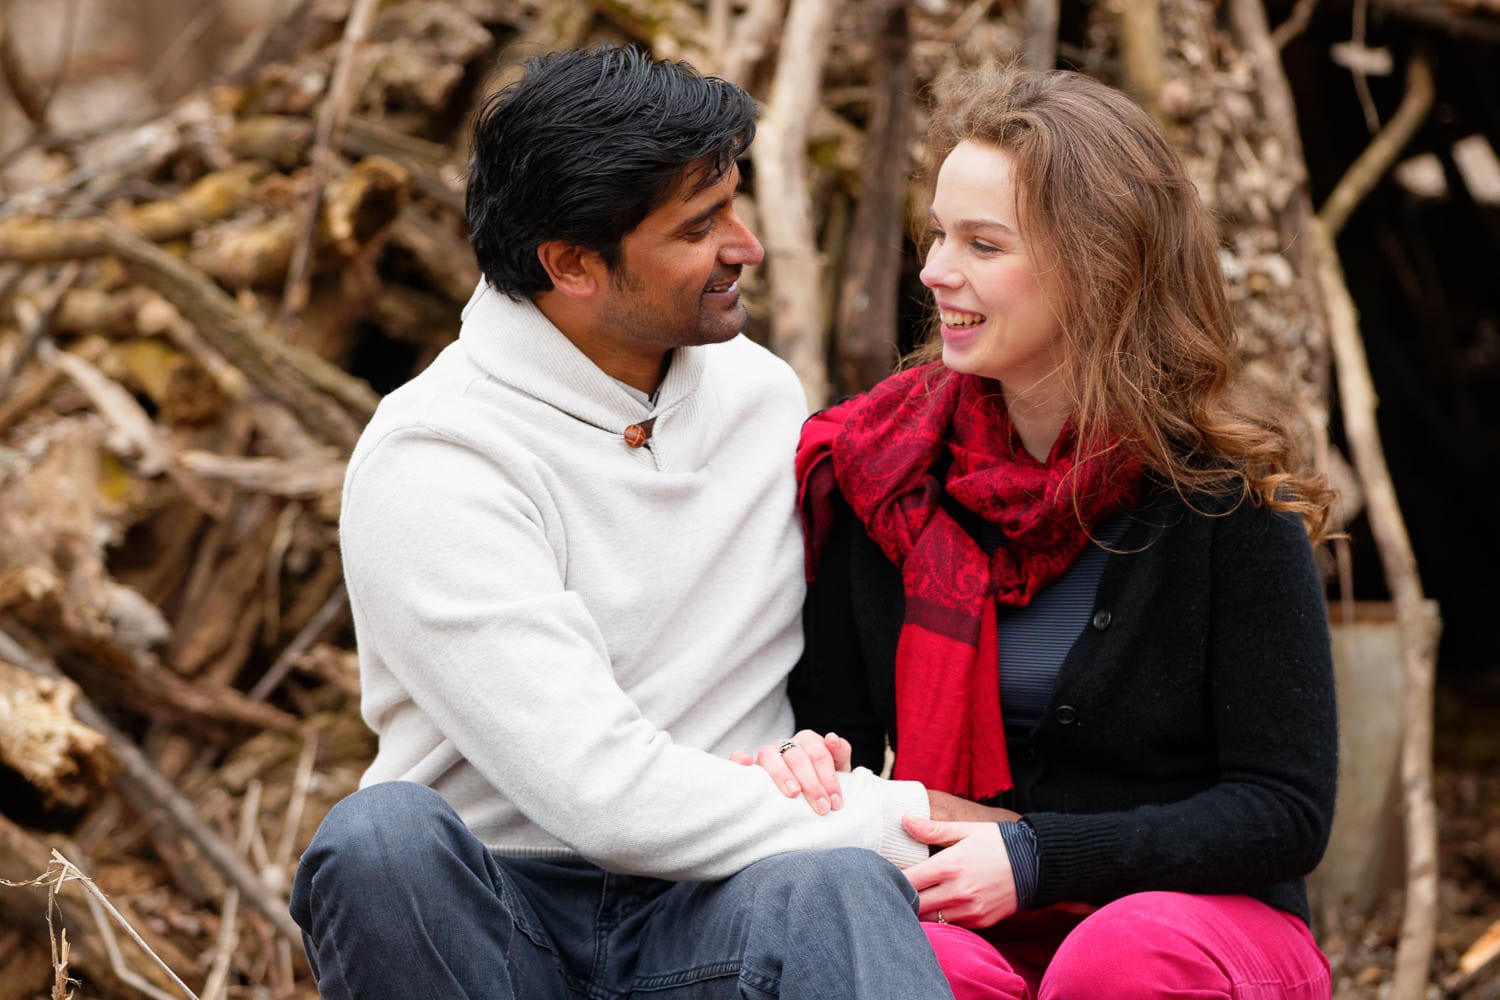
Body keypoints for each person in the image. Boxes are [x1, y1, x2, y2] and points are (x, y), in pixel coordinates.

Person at [288, 46, 958, 1000]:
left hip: (722, 897)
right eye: (700, 227)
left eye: (733, 202)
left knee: (838, 891)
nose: (747, 245)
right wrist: (921, 819)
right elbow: (605, 795)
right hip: (498, 914)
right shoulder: (435, 457)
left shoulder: (761, 396)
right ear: (570, 264)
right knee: (378, 841)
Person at [756, 65, 1339, 999]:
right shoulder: (885, 478)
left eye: (982, 244)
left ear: (1101, 266)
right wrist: (812, 761)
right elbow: (842, 741)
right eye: (938, 234)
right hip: (963, 910)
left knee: (1124, 958)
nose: (936, 270)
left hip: (1190, 923)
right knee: (889, 949)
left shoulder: (1222, 503)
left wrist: (1038, 857)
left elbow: (1283, 811)